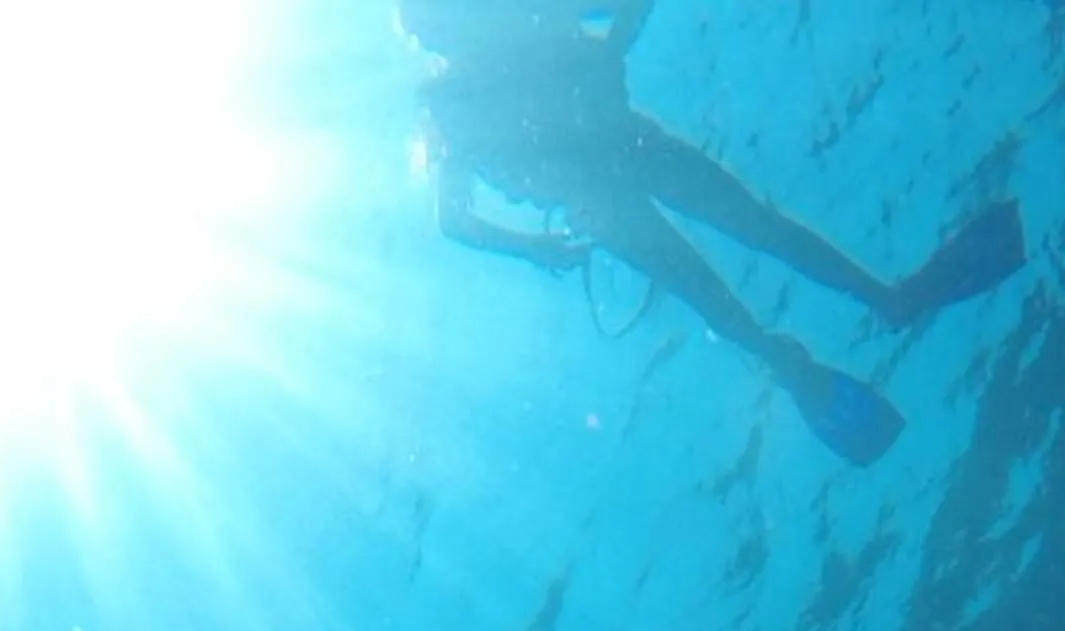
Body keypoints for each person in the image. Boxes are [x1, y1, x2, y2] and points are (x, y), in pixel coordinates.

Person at [400, 0, 1027, 464]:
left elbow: (453, 219)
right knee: (734, 263)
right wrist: (532, 245)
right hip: (612, 181)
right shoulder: (451, 98)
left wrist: (609, 49)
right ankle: (832, 340)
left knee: (742, 252)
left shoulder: (511, 31)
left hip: (621, 162)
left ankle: (864, 320)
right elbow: (452, 219)